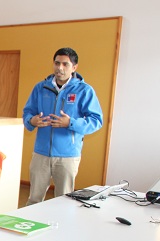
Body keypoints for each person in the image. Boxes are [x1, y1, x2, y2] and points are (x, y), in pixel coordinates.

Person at [23, 47, 103, 205]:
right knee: (34, 199)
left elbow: (96, 120)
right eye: (57, 63)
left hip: (68, 156)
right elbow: (27, 112)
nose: (60, 68)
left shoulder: (84, 90)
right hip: (41, 154)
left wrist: (70, 123)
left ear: (74, 67)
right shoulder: (40, 88)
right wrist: (32, 121)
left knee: (64, 201)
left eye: (65, 64)